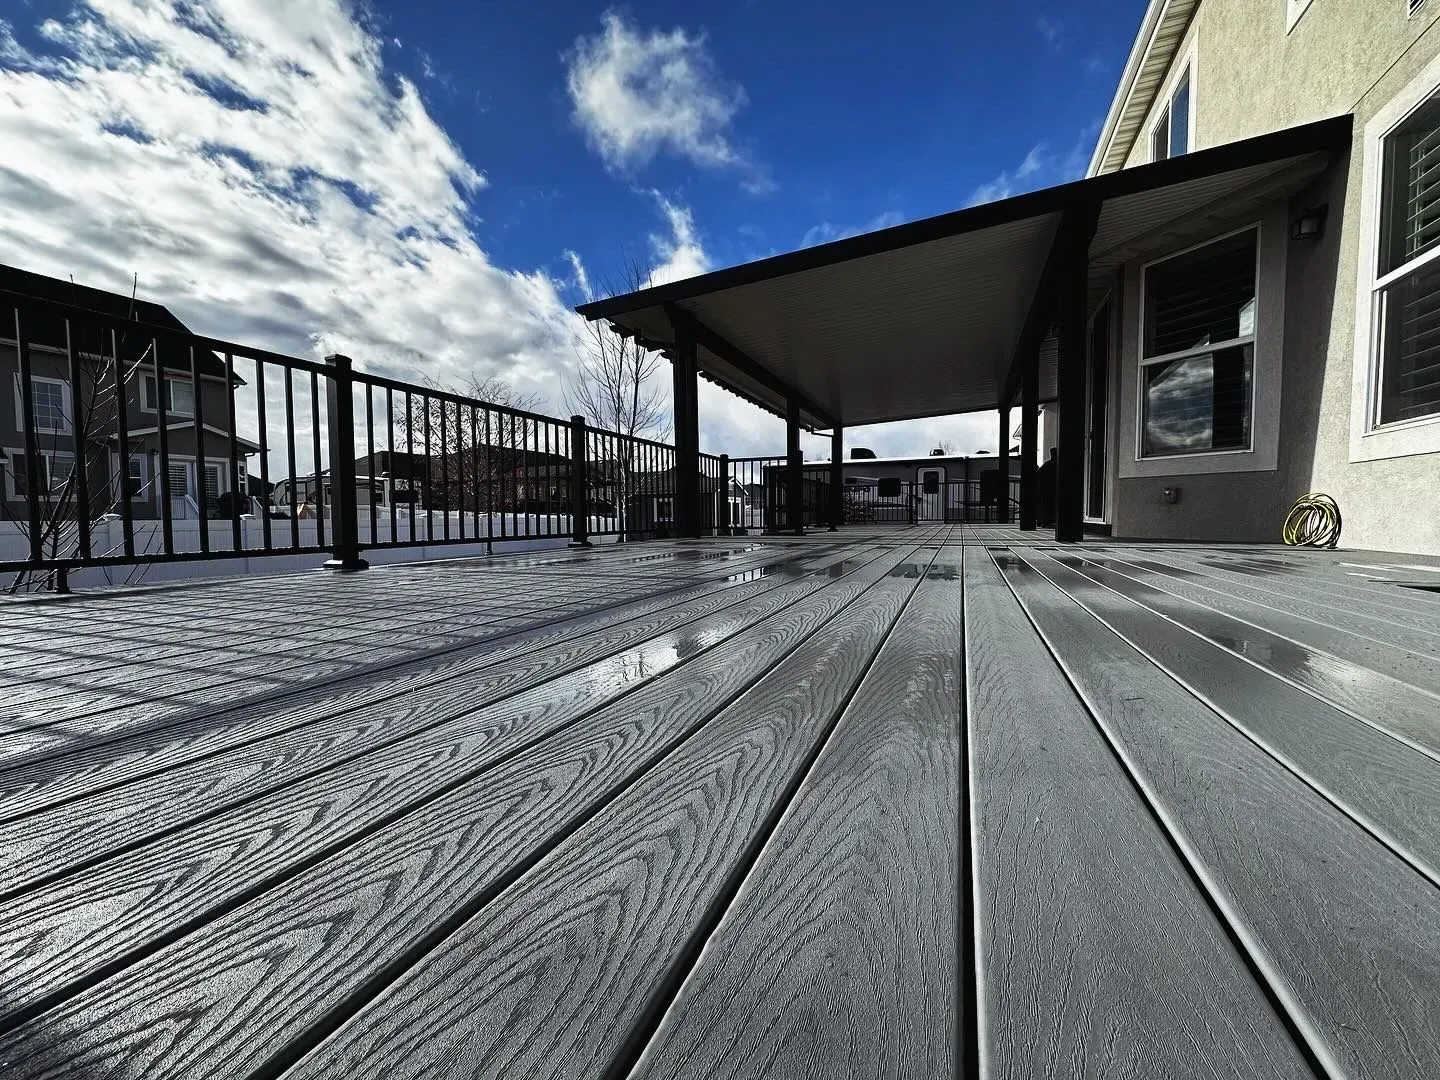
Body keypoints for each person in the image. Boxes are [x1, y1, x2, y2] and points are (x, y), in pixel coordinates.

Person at [1036, 447, 1058, 527]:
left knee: (1045, 506)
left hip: (1045, 489)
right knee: (1050, 506)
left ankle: (1043, 521)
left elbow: (1038, 474)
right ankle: (1048, 520)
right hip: (1053, 489)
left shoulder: (1047, 464)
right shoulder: (1058, 464)